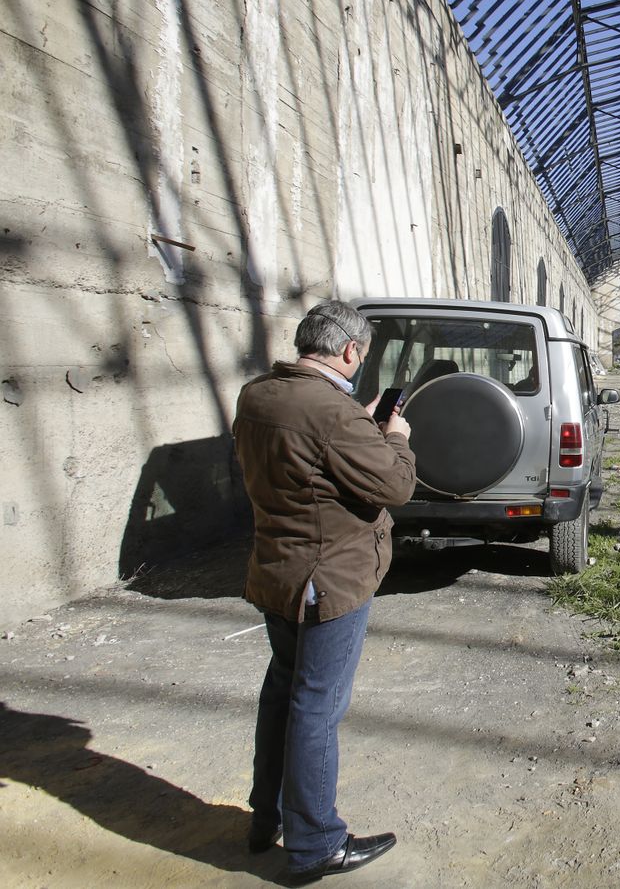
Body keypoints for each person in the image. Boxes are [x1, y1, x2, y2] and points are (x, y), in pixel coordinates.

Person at [232, 300, 416, 882]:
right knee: (317, 707)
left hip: (276, 572)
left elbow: (303, 458)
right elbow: (395, 485)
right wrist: (395, 436)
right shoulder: (334, 415)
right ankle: (315, 844)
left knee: (282, 693)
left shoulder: (258, 395)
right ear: (351, 351)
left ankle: (268, 817)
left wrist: (354, 422)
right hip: (327, 580)